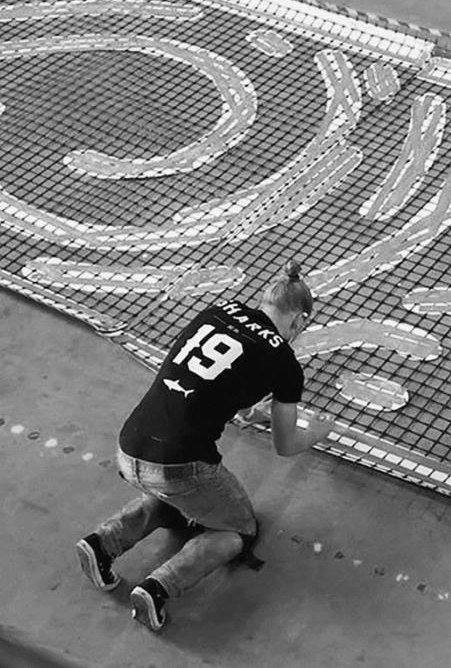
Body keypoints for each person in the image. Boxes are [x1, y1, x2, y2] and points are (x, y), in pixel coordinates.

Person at [74, 261, 332, 631]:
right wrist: (319, 431)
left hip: (129, 445)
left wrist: (255, 412)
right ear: (299, 322)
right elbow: (286, 445)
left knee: (178, 499)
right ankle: (159, 586)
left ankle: (103, 543)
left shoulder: (219, 310)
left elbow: (229, 394)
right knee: (238, 530)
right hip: (179, 467)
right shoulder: (284, 361)